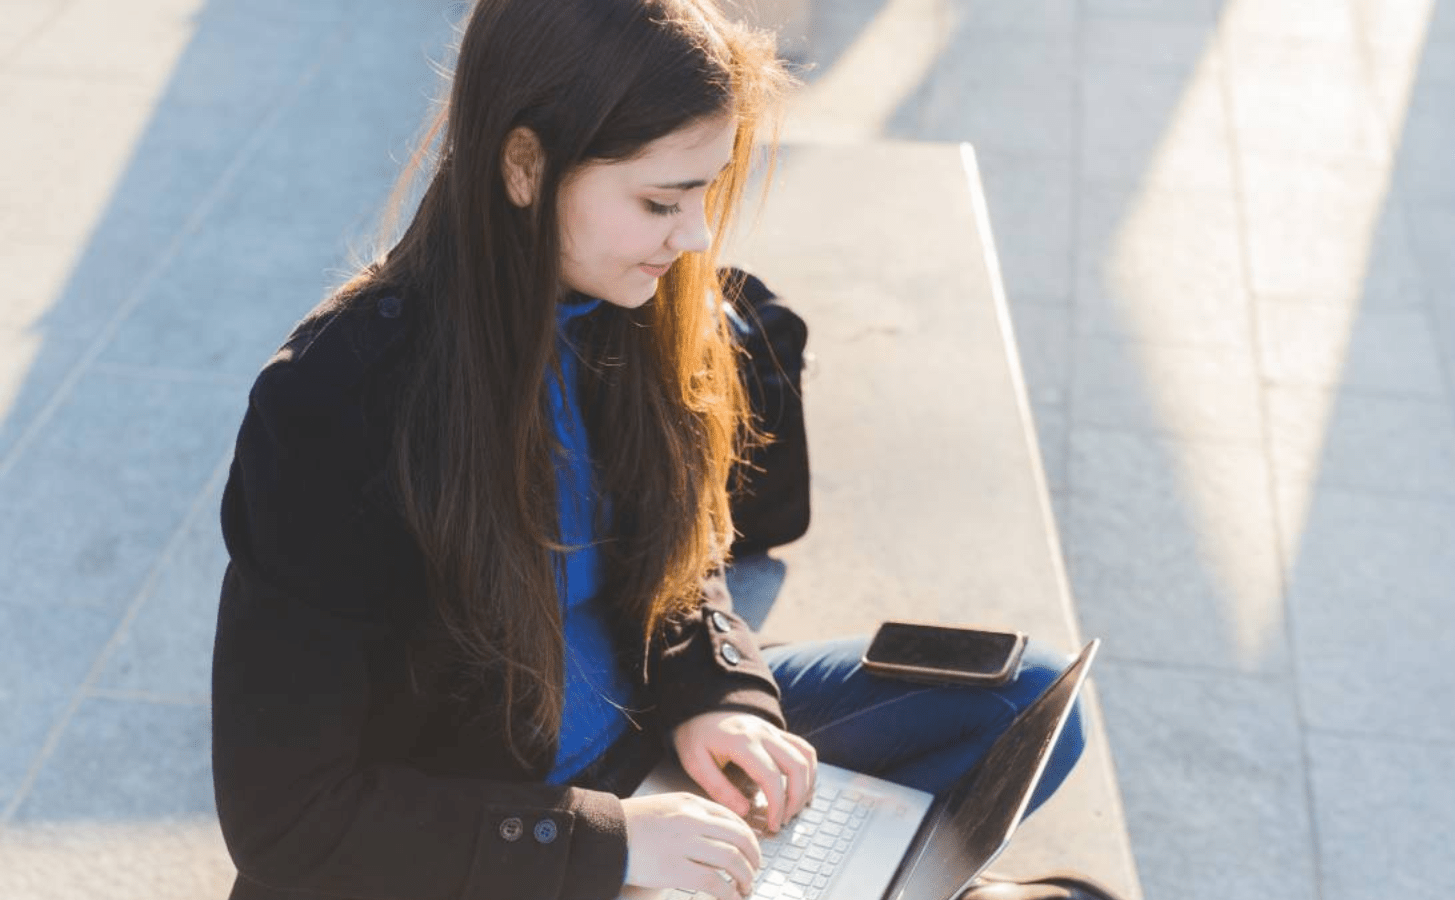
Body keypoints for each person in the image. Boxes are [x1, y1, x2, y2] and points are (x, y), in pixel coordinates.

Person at [210, 1, 1100, 899]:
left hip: (649, 744)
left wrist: (721, 696)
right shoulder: (337, 403)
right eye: (659, 201)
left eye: (705, 191)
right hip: (494, 828)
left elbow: (682, 557)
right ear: (523, 165)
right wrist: (610, 843)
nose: (697, 237)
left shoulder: (634, 302)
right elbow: (288, 817)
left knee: (1026, 702)